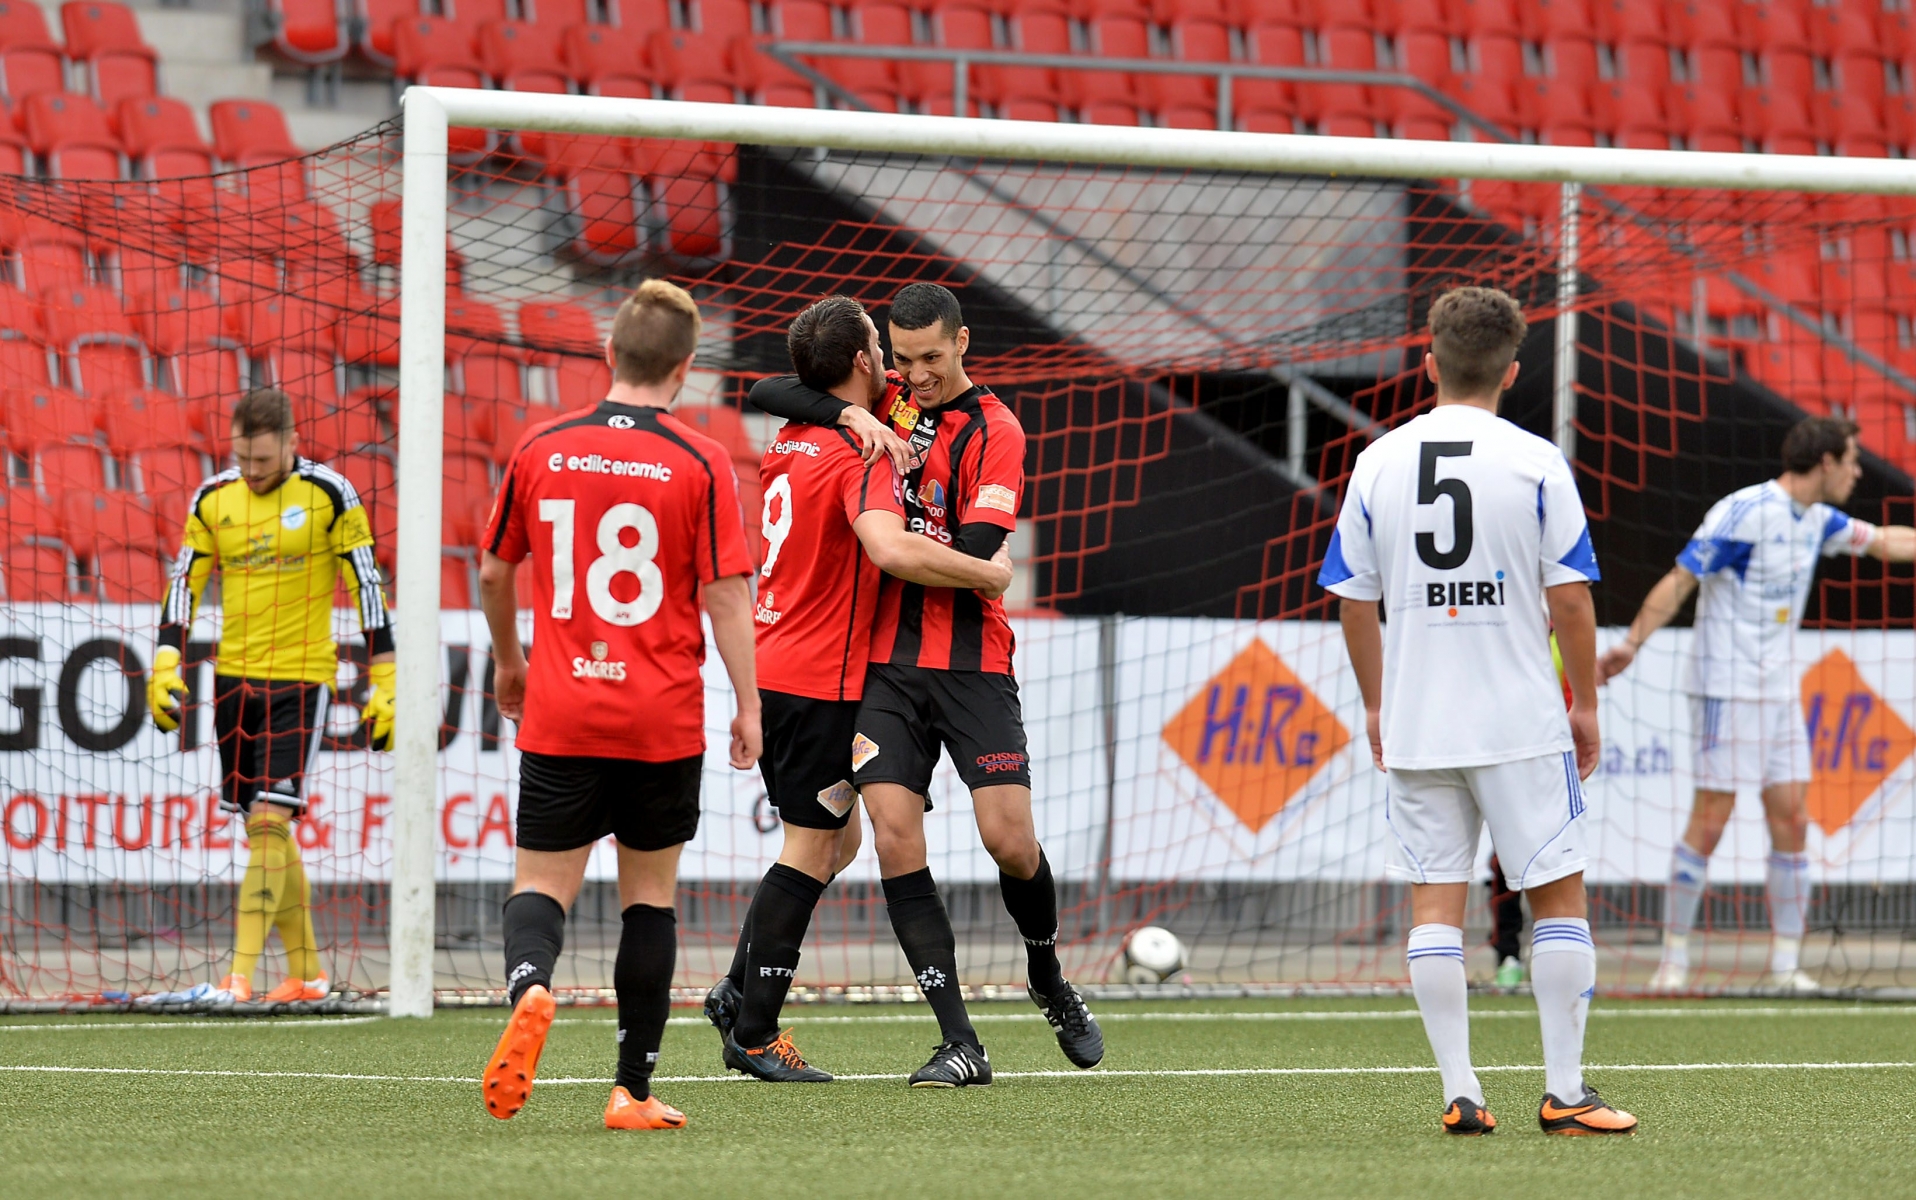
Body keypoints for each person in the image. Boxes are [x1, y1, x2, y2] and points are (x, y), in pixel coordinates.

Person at [747, 282, 1103, 1087]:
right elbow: (771, 387)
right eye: (902, 361)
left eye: (932, 358)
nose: (917, 375)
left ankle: (1046, 974)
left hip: (974, 662)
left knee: (1009, 841)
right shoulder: (885, 408)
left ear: (963, 343)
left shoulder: (997, 430)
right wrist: (850, 415)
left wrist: (900, 518)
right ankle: (960, 1042)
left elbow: (977, 549)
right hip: (884, 667)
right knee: (894, 836)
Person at [1319, 286, 1635, 1136]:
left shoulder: (1377, 461)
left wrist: (1378, 704)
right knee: (1558, 901)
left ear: (1428, 361)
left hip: (1421, 720)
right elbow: (1570, 600)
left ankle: (1462, 1093)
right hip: (1520, 720)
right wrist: (1587, 706)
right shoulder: (1536, 460)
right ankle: (1565, 1093)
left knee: (1434, 908)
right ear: (1514, 370)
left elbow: (1352, 600)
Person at [704, 295, 1016, 1082]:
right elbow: (887, 547)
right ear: (861, 364)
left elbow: (767, 390)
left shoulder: (794, 435)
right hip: (819, 679)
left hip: (779, 665)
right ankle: (752, 1030)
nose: (893, 363)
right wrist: (986, 572)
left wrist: (847, 417)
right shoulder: (862, 451)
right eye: (881, 347)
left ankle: (737, 990)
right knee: (814, 848)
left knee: (833, 840)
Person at [475, 279, 760, 1131]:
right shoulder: (702, 459)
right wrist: (749, 704)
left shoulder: (543, 445)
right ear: (686, 367)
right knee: (649, 900)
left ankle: (530, 987)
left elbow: (493, 571)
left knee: (542, 884)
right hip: (659, 716)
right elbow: (726, 598)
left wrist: (510, 666)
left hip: (563, 707)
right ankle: (631, 1090)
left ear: (609, 355)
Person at [1600, 415, 1916, 992]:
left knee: (1793, 818)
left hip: (1778, 694)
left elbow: (1886, 542)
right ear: (1825, 462)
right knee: (1712, 819)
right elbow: (1680, 580)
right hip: (1726, 687)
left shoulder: (1819, 521)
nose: (1856, 471)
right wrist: (1629, 644)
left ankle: (1786, 966)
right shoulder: (1743, 513)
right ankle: (1673, 962)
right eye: (1850, 459)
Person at [142, 386, 395, 1006]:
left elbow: (368, 586)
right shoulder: (213, 499)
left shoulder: (330, 495)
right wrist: (166, 659)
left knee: (268, 821)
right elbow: (184, 585)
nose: (251, 472)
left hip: (302, 681)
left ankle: (237, 978)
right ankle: (308, 974)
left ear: (292, 443)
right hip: (234, 683)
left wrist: (384, 678)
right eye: (242, 459)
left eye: (263, 460)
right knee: (266, 837)